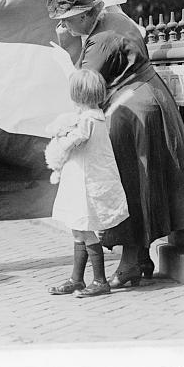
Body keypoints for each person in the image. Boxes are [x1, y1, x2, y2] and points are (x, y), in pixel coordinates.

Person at [46, 0, 184, 288]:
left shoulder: (99, 42)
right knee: (141, 182)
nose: (63, 28)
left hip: (130, 111)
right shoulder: (115, 17)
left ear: (81, 15)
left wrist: (66, 63)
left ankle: (131, 264)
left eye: (66, 21)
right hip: (148, 101)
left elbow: (84, 89)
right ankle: (140, 257)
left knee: (130, 184)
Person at [45, 69, 129, 298]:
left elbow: (77, 139)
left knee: (85, 228)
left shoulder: (89, 119)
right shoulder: (92, 117)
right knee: (77, 228)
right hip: (78, 179)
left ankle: (100, 280)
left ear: (78, 95)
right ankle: (76, 278)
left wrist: (62, 139)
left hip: (86, 182)